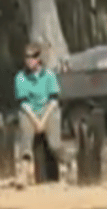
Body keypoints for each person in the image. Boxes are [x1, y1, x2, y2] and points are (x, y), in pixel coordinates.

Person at [14, 42, 71, 187]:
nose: (29, 60)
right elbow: (23, 103)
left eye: (33, 57)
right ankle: (23, 173)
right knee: (25, 138)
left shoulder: (49, 75)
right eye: (27, 57)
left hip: (48, 110)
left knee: (54, 143)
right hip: (30, 111)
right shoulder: (20, 77)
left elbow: (53, 100)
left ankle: (68, 164)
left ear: (39, 58)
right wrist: (35, 121)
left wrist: (43, 120)